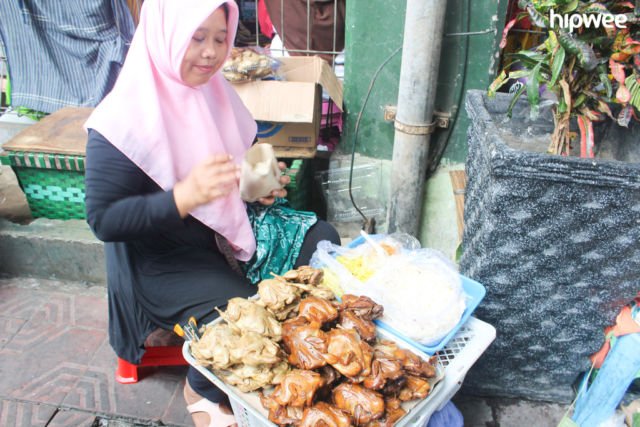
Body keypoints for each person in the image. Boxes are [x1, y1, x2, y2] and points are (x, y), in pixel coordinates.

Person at [82, 1, 340, 426]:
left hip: (225, 234)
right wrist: (184, 196)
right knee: (244, 319)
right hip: (163, 260)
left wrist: (260, 183)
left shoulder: (214, 93)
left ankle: (288, 340)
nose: (211, 52)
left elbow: (246, 157)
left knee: (321, 239)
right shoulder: (120, 122)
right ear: (165, 37)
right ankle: (199, 387)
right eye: (196, 37)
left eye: (220, 38)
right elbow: (104, 220)